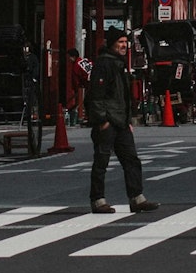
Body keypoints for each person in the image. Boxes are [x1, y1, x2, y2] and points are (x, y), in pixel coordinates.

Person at [86, 29, 159, 214]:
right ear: (111, 43)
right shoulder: (104, 63)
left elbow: (123, 96)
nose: (124, 45)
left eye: (126, 42)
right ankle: (98, 200)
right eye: (120, 42)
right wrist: (102, 120)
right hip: (108, 121)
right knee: (101, 161)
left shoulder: (118, 63)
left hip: (121, 121)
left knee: (132, 160)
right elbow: (96, 94)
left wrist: (127, 121)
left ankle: (137, 198)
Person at [63, 47, 89, 125]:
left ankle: (84, 117)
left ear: (73, 56)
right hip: (94, 80)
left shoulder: (76, 66)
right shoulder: (84, 61)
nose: (69, 59)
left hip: (88, 84)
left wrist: (76, 89)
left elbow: (76, 81)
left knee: (86, 101)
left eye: (69, 57)